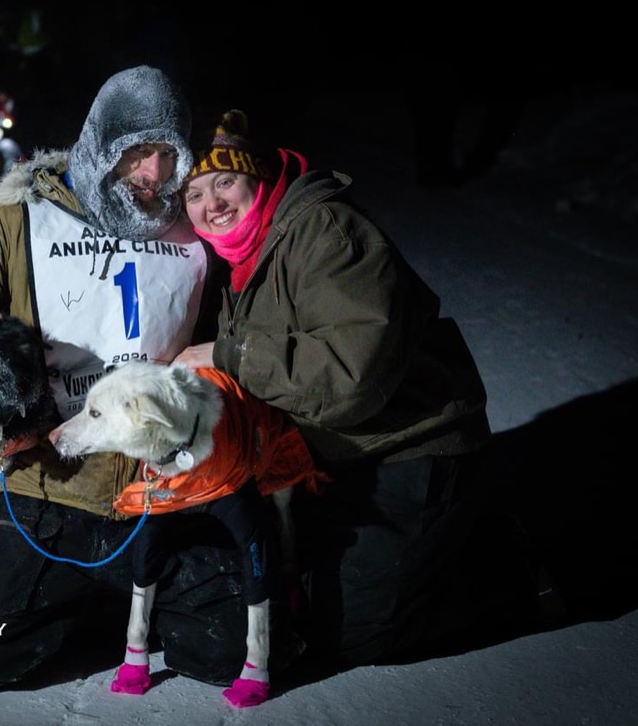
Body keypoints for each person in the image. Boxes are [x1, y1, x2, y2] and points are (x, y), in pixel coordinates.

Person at [0, 66, 309, 692]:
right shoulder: (20, 225)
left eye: (165, 155)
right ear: (101, 148)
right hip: (51, 484)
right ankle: (99, 600)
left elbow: (269, 295)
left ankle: (107, 597)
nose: (152, 174)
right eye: (134, 153)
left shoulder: (198, 230)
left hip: (168, 490)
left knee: (240, 650)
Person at [173, 110, 493, 667]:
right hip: (330, 459)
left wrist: (231, 356)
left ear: (260, 175)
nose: (212, 205)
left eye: (225, 181)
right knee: (265, 608)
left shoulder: (324, 231)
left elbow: (353, 377)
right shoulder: (235, 257)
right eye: (194, 193)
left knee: (337, 637)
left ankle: (504, 560)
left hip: (408, 448)